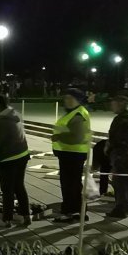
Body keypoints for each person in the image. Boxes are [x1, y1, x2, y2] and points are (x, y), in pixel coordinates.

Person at [0, 94, 31, 228]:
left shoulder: (1, 122)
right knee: (19, 186)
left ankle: (6, 219)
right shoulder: (16, 114)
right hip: (22, 155)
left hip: (8, 158)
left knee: (7, 189)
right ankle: (26, 216)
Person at [52, 88, 91, 222]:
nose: (67, 101)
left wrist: (58, 137)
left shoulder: (77, 115)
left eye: (70, 99)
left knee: (70, 185)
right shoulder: (73, 113)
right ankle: (77, 211)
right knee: (72, 184)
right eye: (66, 98)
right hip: (69, 154)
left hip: (73, 154)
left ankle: (72, 212)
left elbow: (77, 138)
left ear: (78, 100)